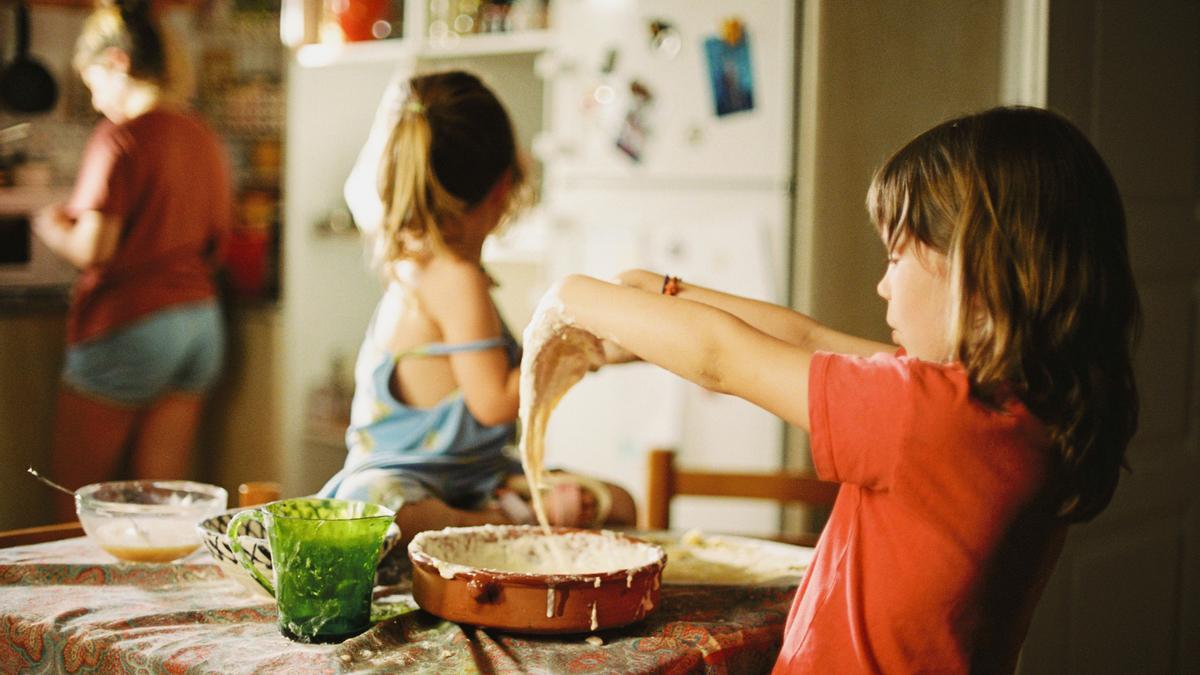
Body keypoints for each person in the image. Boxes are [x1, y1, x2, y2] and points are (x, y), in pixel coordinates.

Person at [535, 106, 1139, 672]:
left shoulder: (925, 415)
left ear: (977, 271)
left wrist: (569, 297)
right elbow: (809, 338)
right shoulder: (1006, 412)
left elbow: (720, 358)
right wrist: (662, 291)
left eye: (897, 259)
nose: (882, 286)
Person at [317, 70, 636, 547]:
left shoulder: (426, 263)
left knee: (619, 502)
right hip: (408, 483)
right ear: (504, 185)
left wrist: (604, 344)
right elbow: (494, 404)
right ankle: (508, 523)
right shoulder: (451, 275)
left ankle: (502, 516)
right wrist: (585, 350)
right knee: (384, 512)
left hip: (475, 479)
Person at [33, 0, 232, 519]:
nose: (97, 102)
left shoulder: (120, 138)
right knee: (161, 504)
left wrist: (50, 225)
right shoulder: (201, 135)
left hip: (130, 324)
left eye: (95, 83)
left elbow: (93, 248)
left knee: (72, 500)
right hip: (200, 324)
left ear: (118, 63)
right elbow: (218, 239)